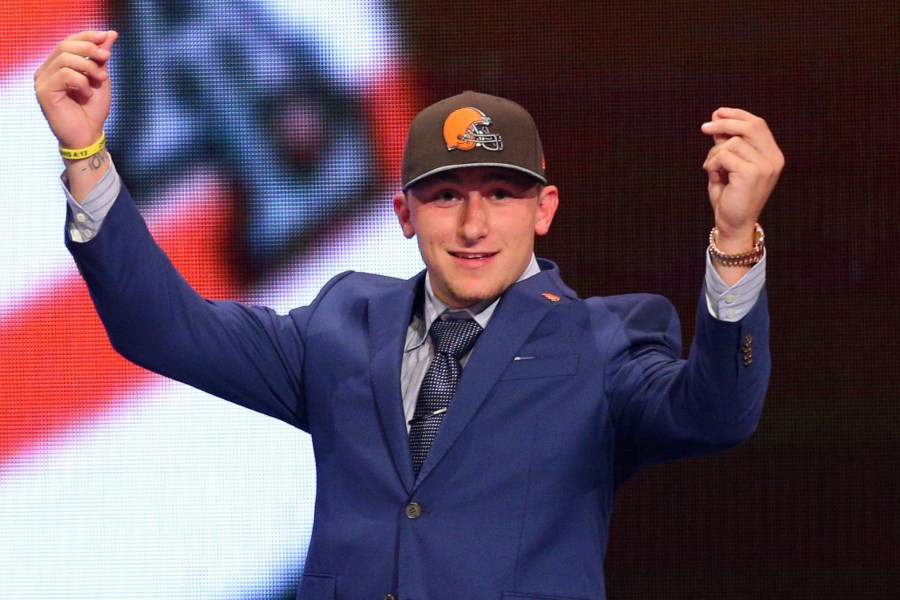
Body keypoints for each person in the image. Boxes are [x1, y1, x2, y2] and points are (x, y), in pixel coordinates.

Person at [35, 30, 783, 600]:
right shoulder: (342, 324)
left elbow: (717, 412)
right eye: (447, 195)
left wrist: (735, 243)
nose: (473, 225)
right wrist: (87, 154)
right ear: (403, 213)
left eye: (500, 193)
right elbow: (164, 330)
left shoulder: (604, 340)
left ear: (545, 209)